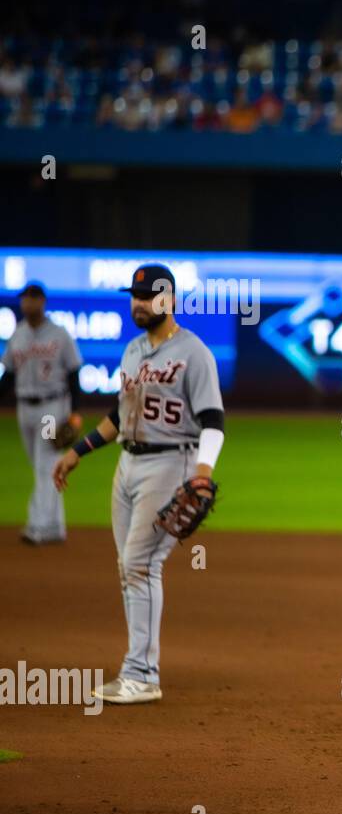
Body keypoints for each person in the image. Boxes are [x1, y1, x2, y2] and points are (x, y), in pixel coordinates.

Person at [52, 265, 226, 704]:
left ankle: (142, 674)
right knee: (128, 567)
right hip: (127, 466)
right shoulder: (132, 351)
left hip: (172, 464)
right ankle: (138, 668)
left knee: (140, 565)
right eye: (135, 295)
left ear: (168, 299)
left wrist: (202, 472)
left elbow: (214, 421)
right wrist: (78, 452)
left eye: (148, 296)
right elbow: (118, 417)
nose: (138, 303)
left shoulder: (194, 353)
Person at [0, 281, 83, 544]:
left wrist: (76, 413)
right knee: (40, 464)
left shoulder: (59, 334)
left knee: (46, 463)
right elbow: (9, 376)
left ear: (43, 302)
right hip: (25, 407)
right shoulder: (18, 334)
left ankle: (38, 525)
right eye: (25, 298)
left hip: (51, 407)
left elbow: (73, 373)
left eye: (33, 298)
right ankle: (56, 526)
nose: (28, 303)